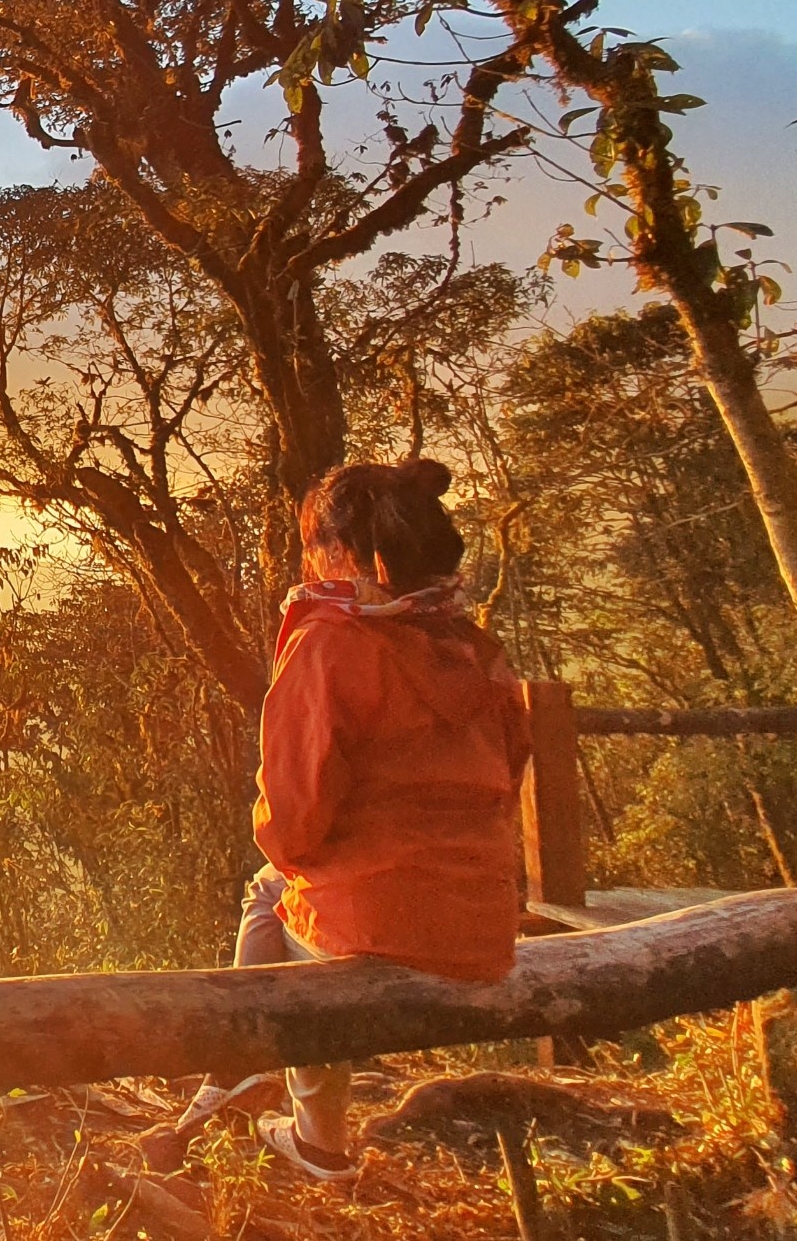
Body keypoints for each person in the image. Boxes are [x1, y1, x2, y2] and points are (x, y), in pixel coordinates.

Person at [156, 458, 529, 1182]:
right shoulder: (471, 648)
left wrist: (298, 856)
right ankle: (248, 1081)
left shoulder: (329, 644)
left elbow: (291, 823)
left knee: (272, 892)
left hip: (383, 927)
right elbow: (508, 773)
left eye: (312, 544)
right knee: (302, 895)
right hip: (483, 927)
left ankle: (269, 1094)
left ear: (338, 552)